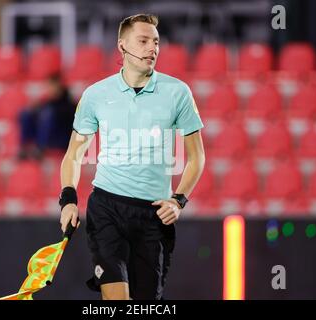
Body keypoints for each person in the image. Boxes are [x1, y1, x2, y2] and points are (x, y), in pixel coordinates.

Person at [58, 14, 205, 300]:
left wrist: (179, 201)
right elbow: (74, 155)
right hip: (107, 209)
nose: (153, 48)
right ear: (122, 46)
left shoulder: (178, 93)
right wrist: (68, 200)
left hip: (154, 215)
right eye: (143, 40)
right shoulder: (95, 95)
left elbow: (197, 157)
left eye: (156, 42)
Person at [18, 73, 75, 160]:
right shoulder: (48, 103)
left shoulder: (69, 104)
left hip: (62, 139)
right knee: (27, 113)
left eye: (51, 86)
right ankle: (24, 147)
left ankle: (40, 148)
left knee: (46, 114)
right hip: (49, 136)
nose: (49, 89)